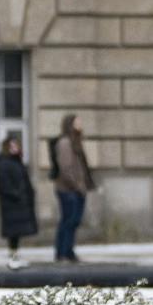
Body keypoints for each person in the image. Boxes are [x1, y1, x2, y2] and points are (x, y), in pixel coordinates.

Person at [51, 113, 95, 264]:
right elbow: (66, 168)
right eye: (77, 122)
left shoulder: (75, 142)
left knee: (73, 221)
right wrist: (77, 185)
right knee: (68, 221)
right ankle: (62, 253)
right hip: (68, 189)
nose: (80, 124)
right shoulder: (65, 143)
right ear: (70, 124)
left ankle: (68, 252)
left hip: (77, 189)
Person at [0, 132, 37, 270]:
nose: (15, 147)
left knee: (16, 234)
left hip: (19, 204)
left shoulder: (17, 161)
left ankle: (15, 257)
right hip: (11, 204)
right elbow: (4, 185)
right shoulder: (4, 163)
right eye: (11, 145)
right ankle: (13, 258)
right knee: (13, 234)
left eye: (16, 145)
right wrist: (17, 195)